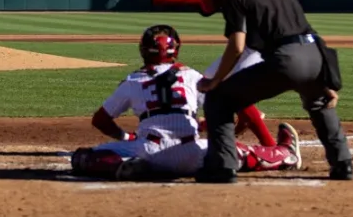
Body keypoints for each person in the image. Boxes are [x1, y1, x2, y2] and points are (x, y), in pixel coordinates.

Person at [195, 0, 352, 184]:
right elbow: (312, 34)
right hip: (314, 55)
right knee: (319, 103)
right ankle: (343, 165)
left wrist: (216, 80)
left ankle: (223, 167)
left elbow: (237, 47)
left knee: (218, 99)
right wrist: (327, 80)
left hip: (285, 59)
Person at [69, 24, 301, 181]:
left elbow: (100, 119)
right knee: (241, 153)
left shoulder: (133, 80)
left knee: (82, 157)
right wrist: (225, 127)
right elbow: (227, 110)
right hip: (193, 152)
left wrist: (126, 137)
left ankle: (121, 167)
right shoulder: (192, 76)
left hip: (150, 151)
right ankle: (284, 153)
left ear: (143, 50)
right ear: (176, 49)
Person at [196, 0, 276, 147]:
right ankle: (234, 121)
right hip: (245, 46)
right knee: (205, 82)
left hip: (263, 46)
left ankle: (269, 144)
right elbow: (207, 8)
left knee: (231, 86)